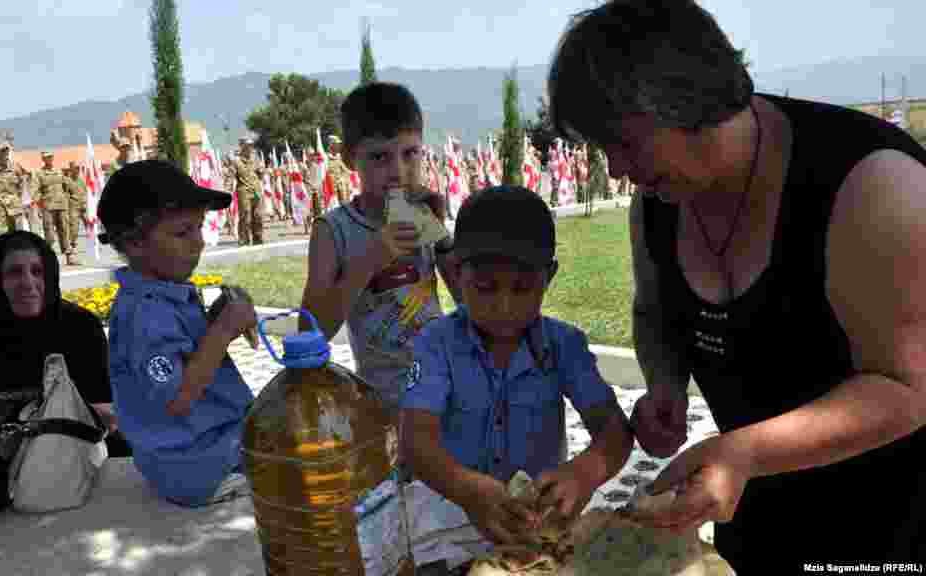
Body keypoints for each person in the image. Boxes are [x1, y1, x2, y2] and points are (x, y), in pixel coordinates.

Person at [547, 0, 926, 567]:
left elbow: (910, 387)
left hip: (895, 528)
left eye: (623, 142)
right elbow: (654, 312)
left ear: (680, 99)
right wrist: (667, 385)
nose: (617, 169)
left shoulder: (871, 186)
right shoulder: (658, 203)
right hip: (756, 520)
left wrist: (745, 450)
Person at [401, 186, 633, 550]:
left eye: (523, 288)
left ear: (549, 277)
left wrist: (584, 472)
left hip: (537, 523)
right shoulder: (436, 343)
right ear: (458, 273)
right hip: (452, 514)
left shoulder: (564, 346)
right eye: (485, 288)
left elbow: (615, 433)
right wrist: (467, 489)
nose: (504, 305)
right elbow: (415, 442)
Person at [98, 159, 258, 507]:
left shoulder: (162, 293)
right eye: (183, 233)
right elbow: (177, 399)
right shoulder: (146, 312)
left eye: (199, 228)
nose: (198, 243)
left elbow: (191, 354)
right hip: (198, 461)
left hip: (201, 449)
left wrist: (215, 321)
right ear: (135, 243)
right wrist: (224, 330)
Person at [300, 81, 461, 414]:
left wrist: (442, 235)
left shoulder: (420, 214)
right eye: (379, 157)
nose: (398, 171)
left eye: (409, 153)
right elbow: (310, 331)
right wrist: (368, 261)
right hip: (382, 402)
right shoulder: (333, 231)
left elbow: (467, 297)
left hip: (444, 385)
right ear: (348, 158)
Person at [0, 230, 130, 456]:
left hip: (79, 451)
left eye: (37, 271)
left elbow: (104, 409)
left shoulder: (80, 327)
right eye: (14, 272)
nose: (28, 283)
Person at [35, 151, 77, 266]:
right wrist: (39, 206)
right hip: (47, 206)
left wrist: (72, 196)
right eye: (46, 157)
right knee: (49, 233)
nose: (48, 159)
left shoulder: (59, 171)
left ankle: (69, 256)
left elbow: (67, 185)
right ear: (43, 159)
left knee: (64, 230)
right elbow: (35, 191)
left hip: (61, 205)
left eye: (50, 157)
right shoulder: (39, 173)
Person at [0, 142, 24, 235]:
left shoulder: (16, 168)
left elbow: (21, 185)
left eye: (7, 150)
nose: (5, 153)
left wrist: (16, 199)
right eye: (2, 151)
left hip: (15, 209)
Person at [234, 137, 263, 246]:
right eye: (248, 146)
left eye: (251, 146)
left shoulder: (255, 159)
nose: (250, 148)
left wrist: (262, 170)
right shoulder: (236, 162)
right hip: (244, 192)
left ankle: (258, 237)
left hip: (256, 190)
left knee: (258, 215)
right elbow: (230, 177)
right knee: (245, 215)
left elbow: (261, 175)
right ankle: (244, 239)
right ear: (242, 147)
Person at [64, 162, 88, 261]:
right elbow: (65, 194)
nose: (77, 170)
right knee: (74, 228)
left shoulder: (81, 180)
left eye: (78, 168)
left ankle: (93, 242)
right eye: (75, 168)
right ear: (71, 169)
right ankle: (72, 245)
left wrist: (86, 202)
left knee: (89, 224)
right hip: (73, 207)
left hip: (83, 205)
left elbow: (85, 191)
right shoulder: (67, 181)